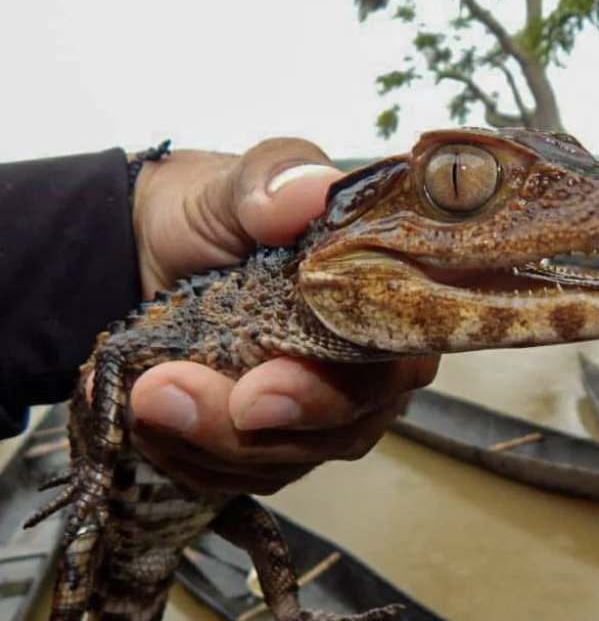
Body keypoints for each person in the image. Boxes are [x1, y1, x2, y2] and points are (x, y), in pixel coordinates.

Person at [0, 138, 439, 493]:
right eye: (456, 179)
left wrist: (136, 206)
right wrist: (96, 471)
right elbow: (115, 353)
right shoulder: (228, 310)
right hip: (123, 477)